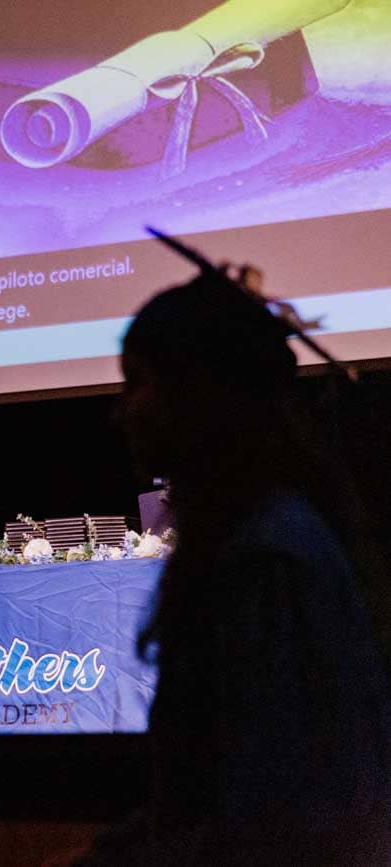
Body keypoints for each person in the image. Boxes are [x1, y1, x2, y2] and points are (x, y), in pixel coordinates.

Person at [67, 273, 390, 864]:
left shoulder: (265, 558)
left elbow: (275, 825)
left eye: (139, 383)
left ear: (202, 394)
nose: (120, 413)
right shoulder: (267, 534)